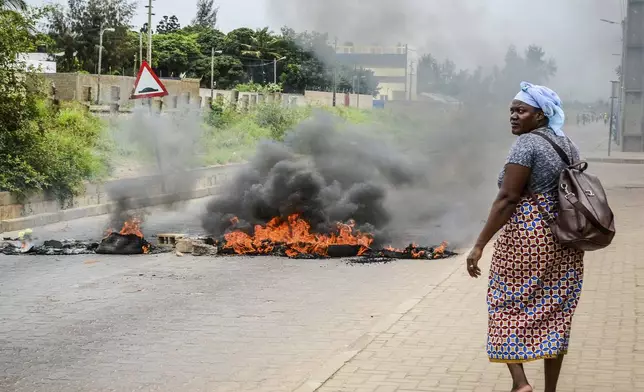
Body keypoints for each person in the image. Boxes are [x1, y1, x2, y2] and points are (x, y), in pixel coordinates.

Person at [466, 81, 585, 392]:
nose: (514, 116)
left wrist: (479, 245)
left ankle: (520, 383)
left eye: (521, 110)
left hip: (528, 236)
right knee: (557, 311)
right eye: (511, 111)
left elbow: (507, 198)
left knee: (504, 303)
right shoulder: (567, 143)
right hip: (566, 238)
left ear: (541, 115)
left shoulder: (527, 144)